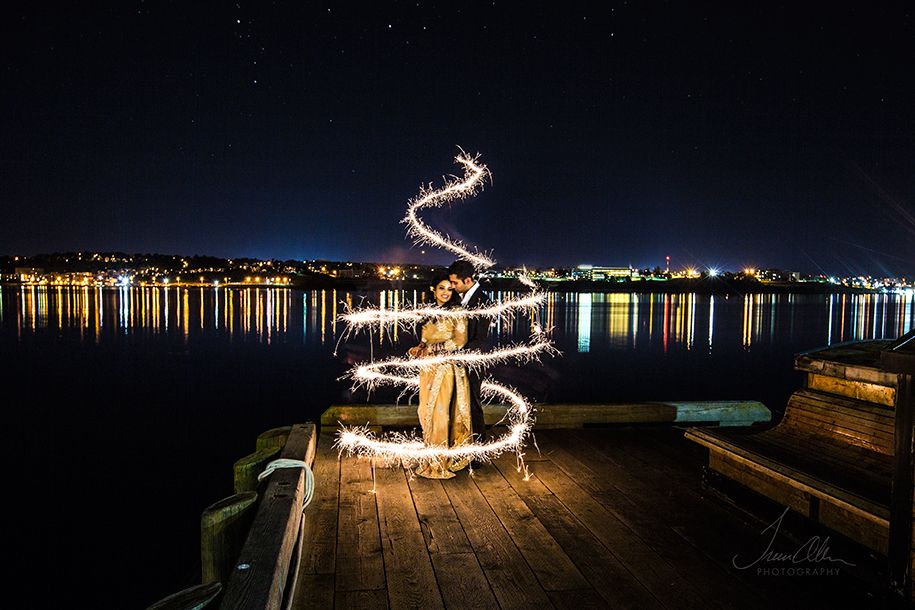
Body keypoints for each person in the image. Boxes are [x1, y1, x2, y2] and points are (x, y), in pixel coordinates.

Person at [407, 275, 472, 478]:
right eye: (441, 288)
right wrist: (420, 348)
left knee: (440, 413)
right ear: (433, 289)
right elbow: (424, 339)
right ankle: (430, 456)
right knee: (425, 412)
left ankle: (439, 461)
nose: (445, 292)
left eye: (450, 289)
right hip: (428, 368)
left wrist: (435, 348)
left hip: (446, 368)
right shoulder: (428, 313)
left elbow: (460, 341)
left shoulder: (457, 312)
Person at [447, 259, 492, 447]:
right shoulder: (458, 298)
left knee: (473, 405)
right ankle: (460, 445)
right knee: (456, 405)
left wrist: (458, 356)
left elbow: (479, 339)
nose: (452, 287)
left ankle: (478, 450)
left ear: (467, 280)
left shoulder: (483, 301)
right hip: (455, 361)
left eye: (455, 283)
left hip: (472, 362)